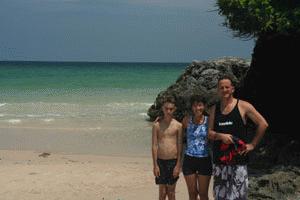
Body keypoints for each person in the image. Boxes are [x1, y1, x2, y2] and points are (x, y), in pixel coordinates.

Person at [208, 74, 269, 200]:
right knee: (220, 197)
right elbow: (209, 133)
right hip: (220, 162)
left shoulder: (243, 106)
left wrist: (252, 144)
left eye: (227, 87)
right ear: (218, 90)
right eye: (221, 88)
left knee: (239, 197)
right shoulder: (215, 109)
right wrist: (220, 136)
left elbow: (263, 124)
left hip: (239, 162)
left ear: (232, 89)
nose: (224, 90)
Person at [152, 95, 183, 200]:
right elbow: (154, 145)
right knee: (162, 192)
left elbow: (180, 146)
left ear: (174, 109)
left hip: (173, 162)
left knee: (171, 192)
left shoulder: (178, 126)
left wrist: (178, 165)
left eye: (171, 109)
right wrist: (155, 165)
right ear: (162, 108)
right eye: (166, 108)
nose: (168, 111)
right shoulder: (157, 125)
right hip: (160, 161)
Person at [181, 95, 212, 200]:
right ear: (191, 107)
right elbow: (176, 131)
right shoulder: (186, 120)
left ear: (204, 106)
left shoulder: (209, 121)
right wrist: (161, 121)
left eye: (200, 105)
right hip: (189, 160)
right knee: (192, 193)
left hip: (205, 160)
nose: (197, 108)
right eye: (194, 105)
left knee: (203, 194)